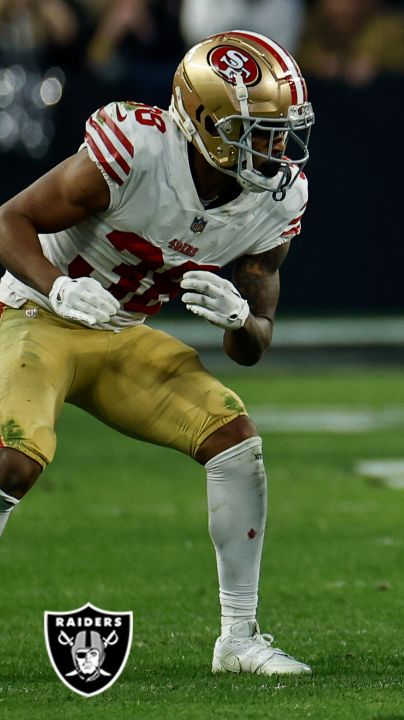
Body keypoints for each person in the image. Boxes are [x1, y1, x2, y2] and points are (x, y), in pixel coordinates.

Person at [0, 30, 314, 675]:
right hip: (34, 313)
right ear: (200, 120)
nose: (275, 148)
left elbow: (254, 344)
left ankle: (239, 639)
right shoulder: (138, 149)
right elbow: (9, 221)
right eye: (255, 129)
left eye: (283, 130)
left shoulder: (276, 198)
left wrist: (239, 318)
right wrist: (56, 285)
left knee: (234, 440)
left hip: (119, 331)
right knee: (14, 460)